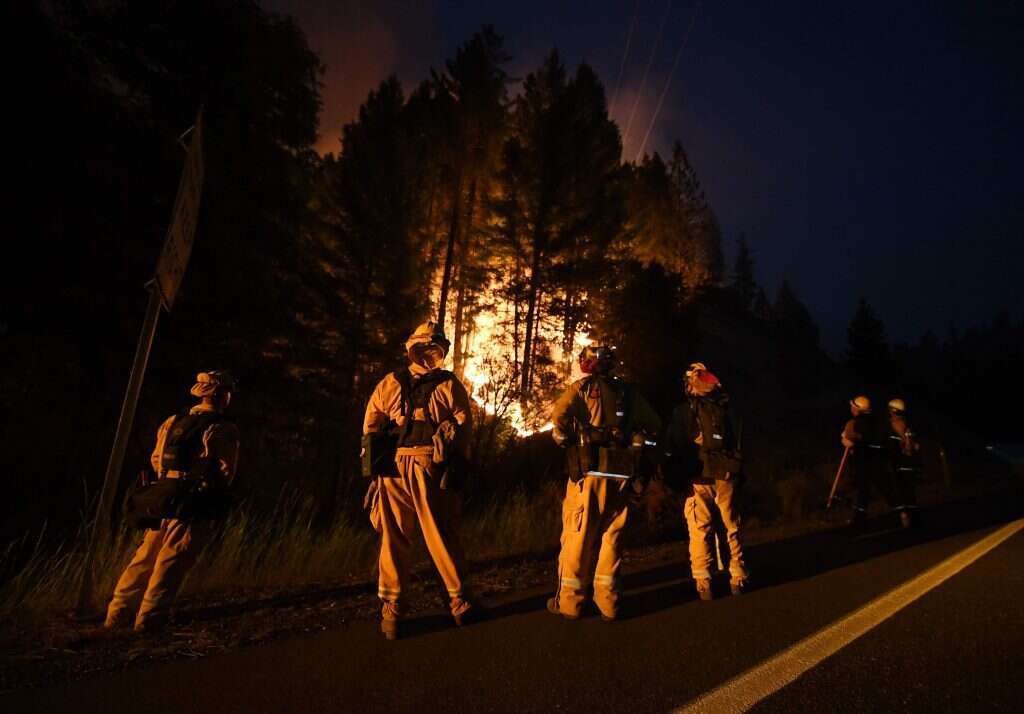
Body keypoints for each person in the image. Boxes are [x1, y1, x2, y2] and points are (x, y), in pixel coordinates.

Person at [363, 322, 475, 640]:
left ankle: (392, 612)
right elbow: (464, 426)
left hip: (393, 467)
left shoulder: (390, 383)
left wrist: (374, 472)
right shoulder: (449, 385)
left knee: (394, 538)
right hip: (430, 466)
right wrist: (457, 458)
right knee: (440, 534)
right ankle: (458, 602)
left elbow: (370, 426)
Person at [105, 370, 240, 631]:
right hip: (194, 501)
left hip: (163, 495)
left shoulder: (173, 421)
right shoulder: (223, 428)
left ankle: (118, 613)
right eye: (228, 391)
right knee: (172, 560)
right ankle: (150, 618)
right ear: (220, 394)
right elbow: (226, 470)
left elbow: (156, 459)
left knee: (145, 556)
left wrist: (169, 481)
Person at [548, 345, 662, 621]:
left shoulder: (582, 388)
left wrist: (566, 442)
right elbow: (655, 425)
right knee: (613, 537)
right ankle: (608, 601)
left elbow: (559, 417)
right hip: (622, 474)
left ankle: (571, 602)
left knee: (578, 536)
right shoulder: (629, 393)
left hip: (590, 473)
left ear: (587, 364)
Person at [665, 362, 748, 600]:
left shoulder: (683, 411)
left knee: (699, 529)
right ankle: (738, 576)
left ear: (690, 382)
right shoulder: (727, 407)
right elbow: (738, 442)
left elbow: (674, 445)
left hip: (699, 477)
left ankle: (704, 582)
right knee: (731, 526)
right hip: (726, 476)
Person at [841, 395, 893, 527]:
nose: (851, 409)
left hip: (863, 461)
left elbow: (851, 440)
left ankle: (859, 519)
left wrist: (846, 440)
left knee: (862, 490)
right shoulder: (877, 421)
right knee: (884, 487)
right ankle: (900, 509)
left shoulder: (854, 423)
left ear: (858, 409)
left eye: (853, 406)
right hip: (878, 460)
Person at [886, 398, 921, 527]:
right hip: (909, 461)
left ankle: (904, 516)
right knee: (910, 490)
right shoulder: (907, 425)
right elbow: (916, 446)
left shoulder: (892, 425)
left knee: (900, 489)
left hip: (898, 461)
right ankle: (913, 516)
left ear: (892, 410)